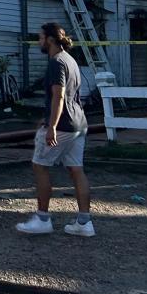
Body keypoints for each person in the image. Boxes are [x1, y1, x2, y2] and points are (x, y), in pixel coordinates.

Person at [17, 21, 94, 237]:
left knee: (40, 166)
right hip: (79, 123)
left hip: (63, 126)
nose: (39, 42)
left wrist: (51, 126)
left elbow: (59, 96)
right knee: (76, 169)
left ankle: (42, 218)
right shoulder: (71, 61)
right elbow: (71, 96)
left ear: (50, 39)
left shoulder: (56, 63)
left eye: (41, 38)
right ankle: (84, 222)